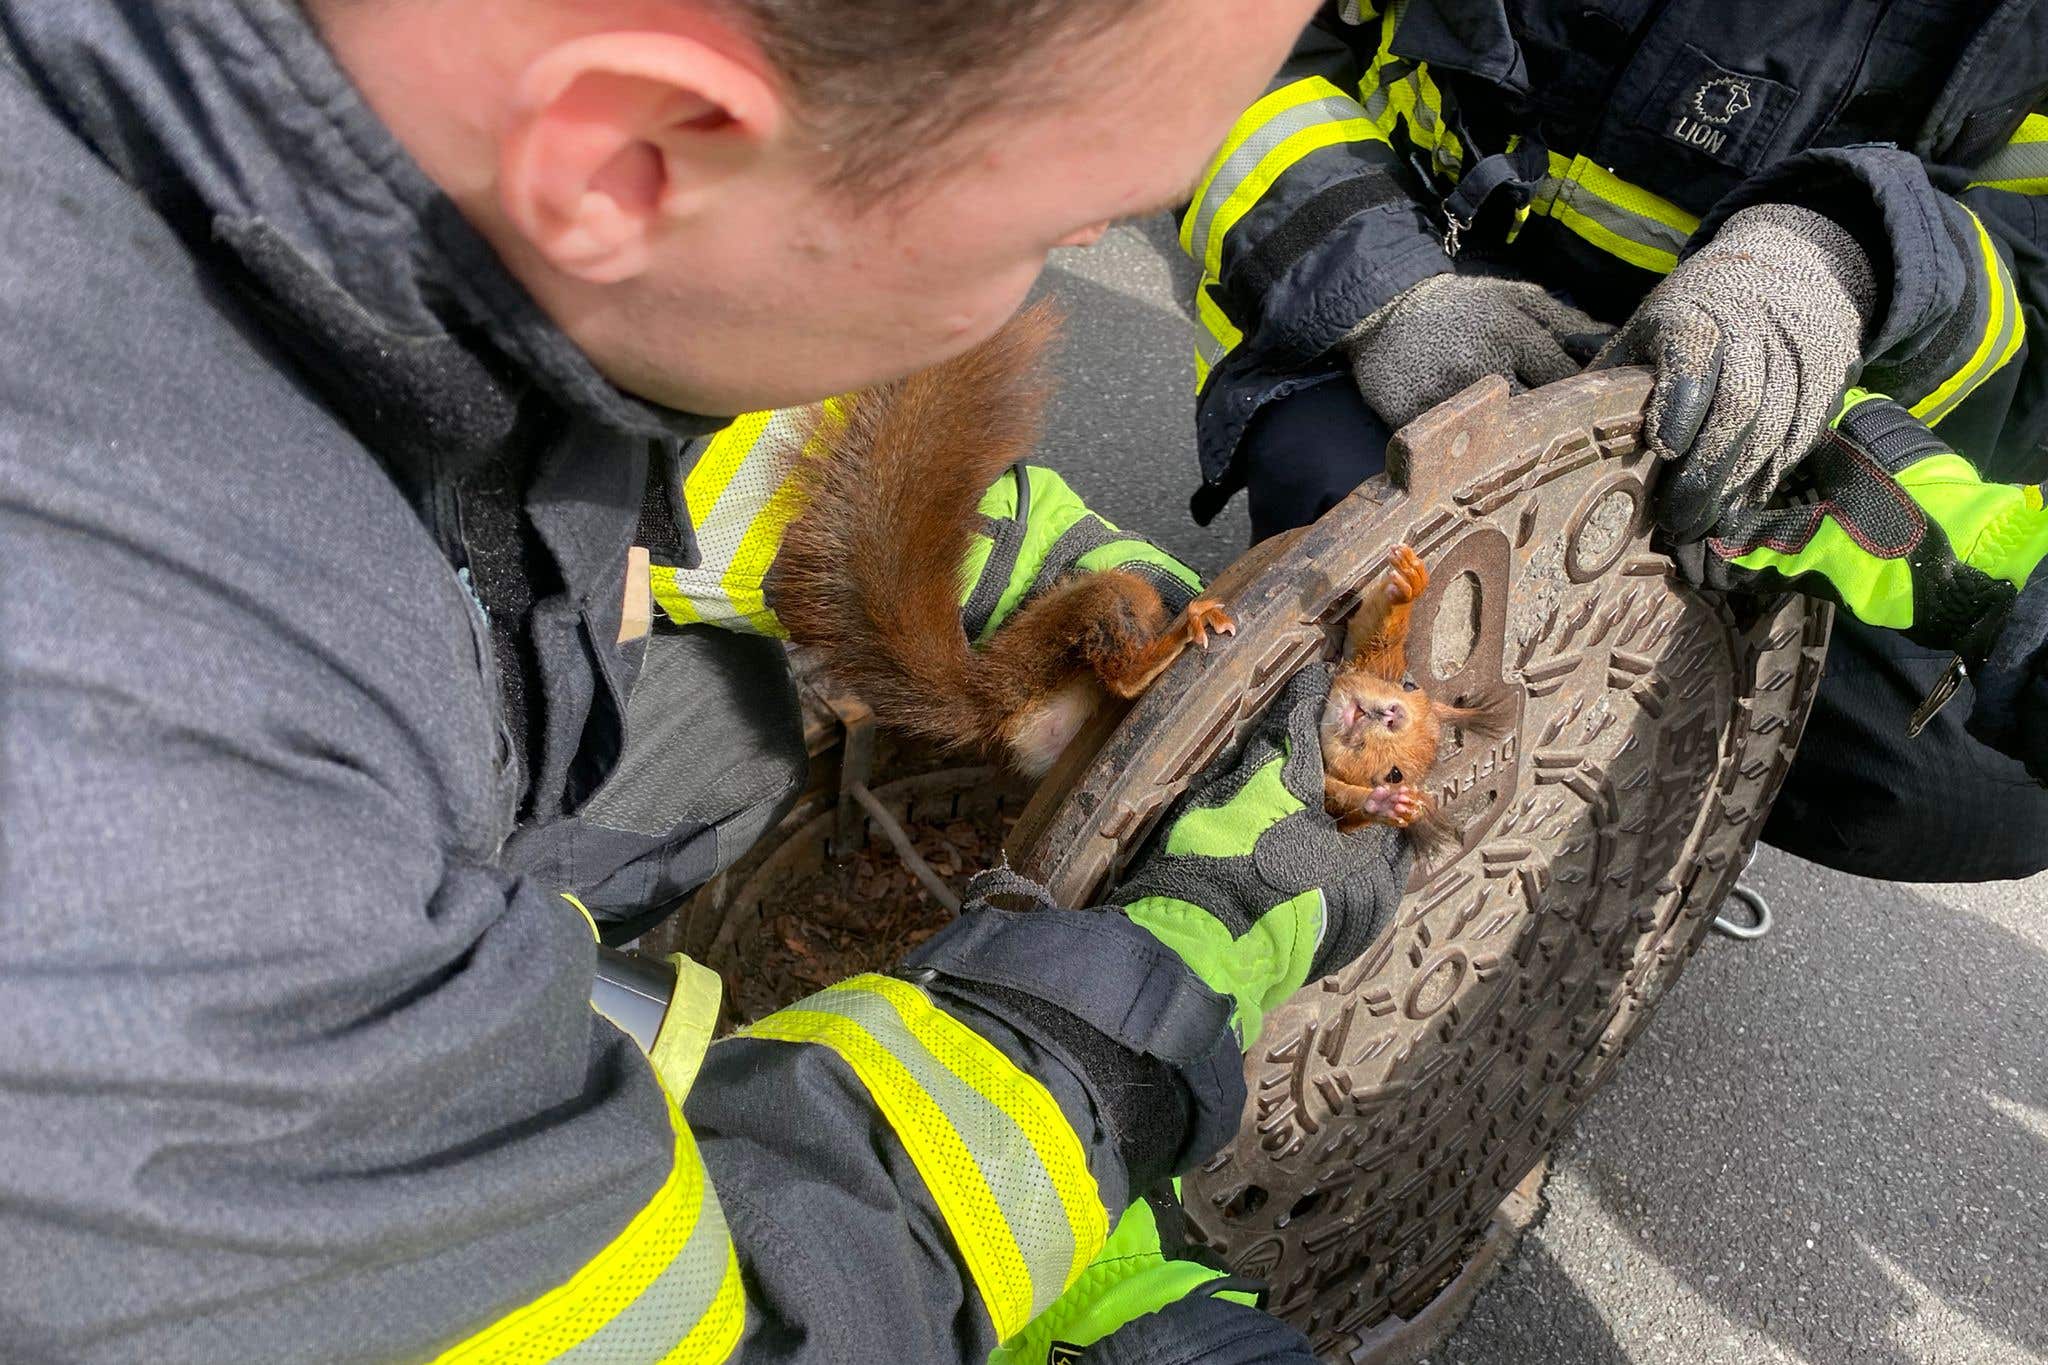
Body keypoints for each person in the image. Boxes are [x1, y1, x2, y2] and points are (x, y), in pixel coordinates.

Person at [0, 2, 1407, 1362]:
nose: (1089, 247)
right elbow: (709, 1333)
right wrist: (1142, 998)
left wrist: (993, 574)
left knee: (725, 738)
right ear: (631, 149)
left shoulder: (365, 139)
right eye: (1053, 227)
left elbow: (638, 403)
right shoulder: (145, 835)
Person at [1180, 0, 2048, 880]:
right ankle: (1301, 839)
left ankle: (1598, 815)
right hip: (1440, 275)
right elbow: (1193, 32)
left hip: (1775, 378)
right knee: (1378, 556)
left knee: (1966, 785)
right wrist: (1378, 289)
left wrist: (1849, 262)